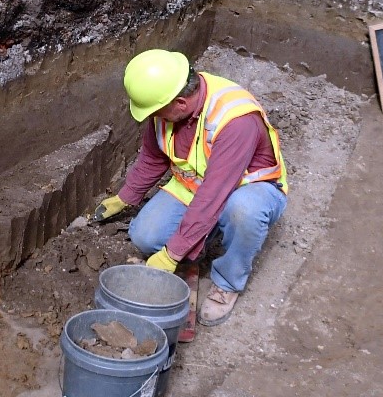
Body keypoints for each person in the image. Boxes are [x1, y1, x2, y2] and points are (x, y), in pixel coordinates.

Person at [93, 49, 288, 326]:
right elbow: (152, 158)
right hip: (197, 185)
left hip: (249, 190)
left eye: (156, 111)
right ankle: (200, 240)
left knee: (243, 212)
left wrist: (173, 252)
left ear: (181, 103)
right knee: (144, 235)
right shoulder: (167, 105)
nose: (154, 117)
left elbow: (214, 195)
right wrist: (125, 197)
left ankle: (227, 283)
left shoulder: (235, 120)